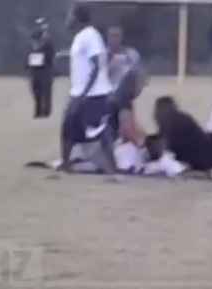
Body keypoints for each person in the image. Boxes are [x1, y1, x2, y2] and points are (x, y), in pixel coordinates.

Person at [52, 4, 118, 180]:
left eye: (70, 15)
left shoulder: (90, 36)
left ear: (77, 17)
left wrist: (84, 93)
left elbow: (97, 65)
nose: (68, 19)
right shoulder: (80, 37)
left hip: (93, 95)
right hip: (79, 93)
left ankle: (113, 171)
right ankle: (65, 166)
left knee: (98, 131)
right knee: (68, 129)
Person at [153, 96, 212, 173]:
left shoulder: (172, 125)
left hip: (201, 162)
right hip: (211, 156)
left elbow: (168, 150)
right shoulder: (182, 119)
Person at [106, 27, 146, 145]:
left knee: (128, 125)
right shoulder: (104, 55)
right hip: (109, 98)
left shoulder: (131, 54)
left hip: (125, 97)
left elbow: (138, 74)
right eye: (111, 36)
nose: (114, 39)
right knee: (111, 128)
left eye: (116, 36)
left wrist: (136, 91)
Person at [27, 19, 56, 118]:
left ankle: (46, 111)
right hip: (35, 69)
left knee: (46, 91)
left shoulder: (47, 39)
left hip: (45, 69)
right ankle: (38, 110)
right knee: (36, 90)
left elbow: (50, 54)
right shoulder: (33, 39)